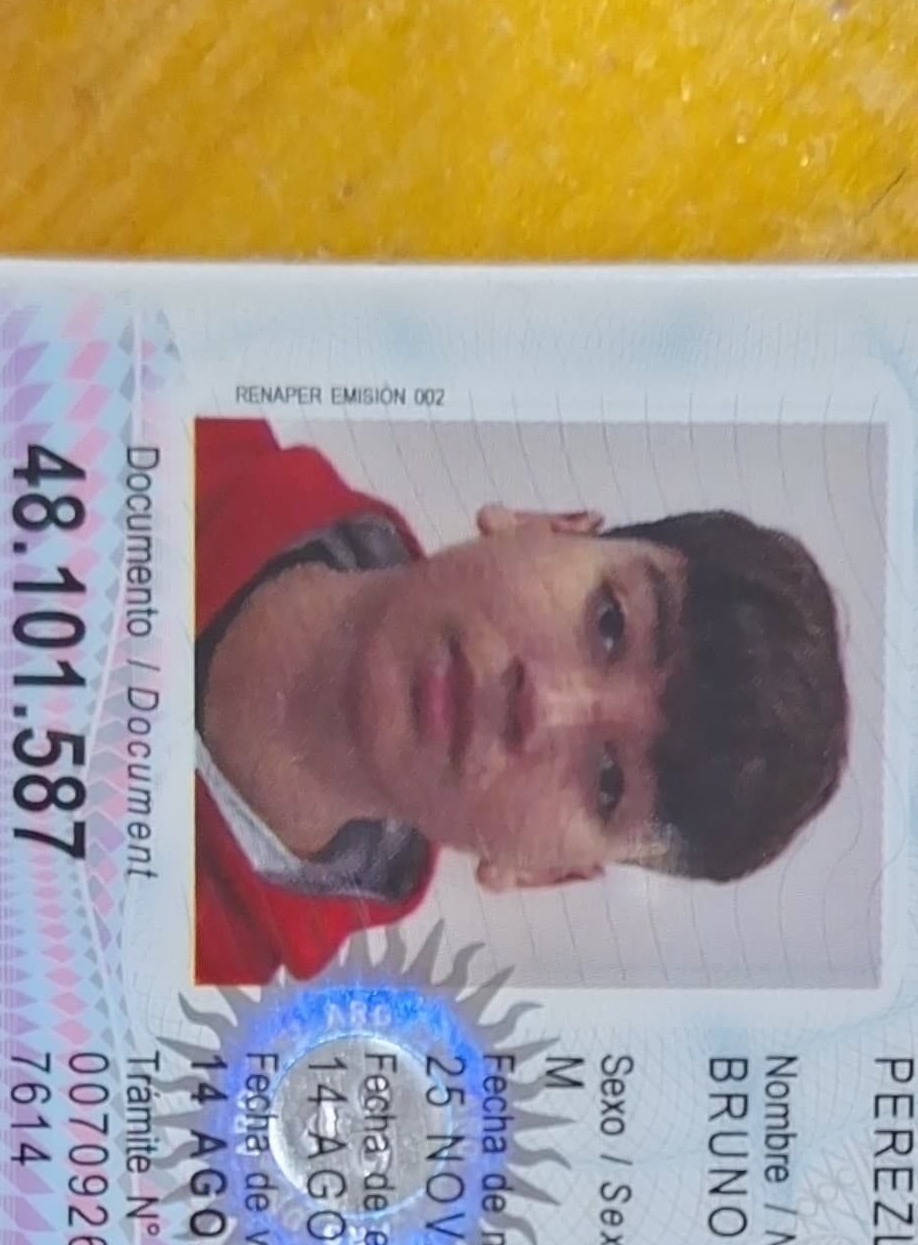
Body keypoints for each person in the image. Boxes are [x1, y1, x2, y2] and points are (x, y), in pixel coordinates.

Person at [192, 416, 852, 983]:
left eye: (608, 782)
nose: (541, 707)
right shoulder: (166, 387)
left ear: (543, 874)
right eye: (611, 624)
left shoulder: (173, 1032)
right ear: (545, 526)